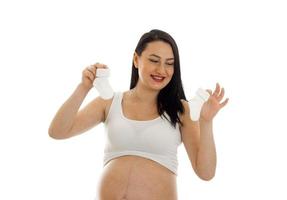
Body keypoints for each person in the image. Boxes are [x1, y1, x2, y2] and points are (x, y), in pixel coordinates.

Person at [48, 29, 229, 200]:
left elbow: (205, 173)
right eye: (154, 60)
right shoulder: (110, 101)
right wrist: (84, 87)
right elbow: (57, 131)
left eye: (169, 63)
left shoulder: (182, 110)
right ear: (136, 59)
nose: (161, 70)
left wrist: (206, 121)